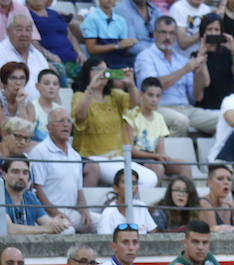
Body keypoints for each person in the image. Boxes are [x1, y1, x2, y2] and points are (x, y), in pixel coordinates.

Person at [71, 56, 158, 187]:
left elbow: (134, 104)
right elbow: (80, 116)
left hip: (117, 157)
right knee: (137, 182)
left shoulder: (114, 95)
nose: (102, 74)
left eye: (105, 71)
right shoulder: (79, 96)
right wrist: (90, 88)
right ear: (87, 72)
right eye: (97, 70)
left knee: (151, 178)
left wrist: (131, 85)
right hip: (93, 157)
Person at [134, 14, 215, 136]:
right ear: (154, 33)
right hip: (157, 108)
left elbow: (197, 97)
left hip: (186, 108)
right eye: (163, 32)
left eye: (171, 33)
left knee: (223, 119)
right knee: (181, 121)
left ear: (176, 35)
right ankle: (164, 154)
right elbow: (151, 86)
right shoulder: (145, 57)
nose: (167, 37)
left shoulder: (181, 60)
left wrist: (199, 69)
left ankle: (214, 155)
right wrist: (184, 70)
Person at [123, 76, 190, 183]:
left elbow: (160, 150)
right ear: (141, 94)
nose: (154, 99)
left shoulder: (159, 118)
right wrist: (155, 156)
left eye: (158, 96)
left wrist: (161, 157)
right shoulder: (131, 115)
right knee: (158, 168)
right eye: (150, 95)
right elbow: (130, 150)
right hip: (135, 160)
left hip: (152, 158)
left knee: (184, 166)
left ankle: (188, 198)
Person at [3, 154, 72, 233]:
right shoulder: (1, 196)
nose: (21, 177)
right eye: (15, 172)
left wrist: (59, 223)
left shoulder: (30, 197)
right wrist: (45, 229)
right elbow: (8, 229)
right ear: (4, 175)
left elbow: (47, 222)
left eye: (25, 173)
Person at [192, 12, 234, 112]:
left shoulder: (228, 52)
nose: (213, 33)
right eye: (209, 29)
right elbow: (206, 82)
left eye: (216, 30)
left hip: (229, 105)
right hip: (207, 107)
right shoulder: (196, 56)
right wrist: (201, 54)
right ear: (203, 32)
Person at [0, 14, 48, 101]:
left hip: (39, 110)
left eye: (28, 30)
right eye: (19, 29)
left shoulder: (38, 56)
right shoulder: (1, 52)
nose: (24, 34)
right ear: (8, 31)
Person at [97, 167, 158, 233]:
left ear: (137, 189)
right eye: (126, 182)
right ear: (115, 188)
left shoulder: (141, 206)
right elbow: (106, 242)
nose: (131, 186)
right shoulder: (108, 214)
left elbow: (152, 232)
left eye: (134, 183)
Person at [79, 0, 137, 70]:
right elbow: (91, 49)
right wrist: (117, 46)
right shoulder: (91, 19)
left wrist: (128, 44)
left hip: (120, 61)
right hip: (101, 62)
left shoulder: (121, 20)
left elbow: (123, 47)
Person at [199, 161, 234, 232]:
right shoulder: (204, 203)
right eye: (220, 179)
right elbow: (214, 236)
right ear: (209, 183)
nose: (226, 182)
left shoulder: (228, 203)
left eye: (229, 179)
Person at [30, 67, 63, 139]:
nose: (51, 87)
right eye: (47, 83)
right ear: (37, 86)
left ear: (59, 87)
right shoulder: (31, 108)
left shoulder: (60, 110)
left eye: (55, 84)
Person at [0, 59, 35, 126]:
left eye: (22, 78)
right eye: (13, 78)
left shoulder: (28, 105)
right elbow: (3, 131)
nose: (18, 82)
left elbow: (27, 132)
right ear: (4, 81)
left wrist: (21, 105)